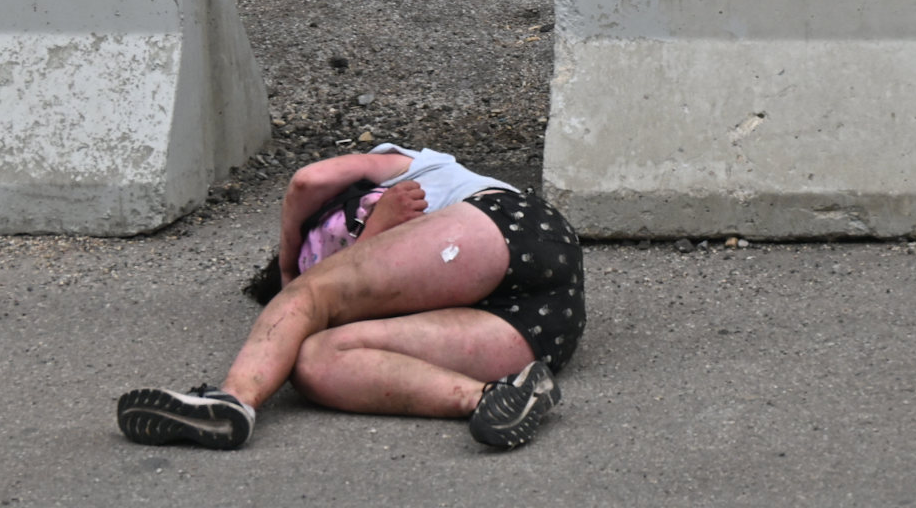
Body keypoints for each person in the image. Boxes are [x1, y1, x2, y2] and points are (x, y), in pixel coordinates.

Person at [116, 144, 583, 450]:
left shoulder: (414, 164)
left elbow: (308, 180)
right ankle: (496, 397)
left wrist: (290, 270)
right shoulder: (379, 245)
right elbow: (309, 187)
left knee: (314, 297)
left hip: (507, 230)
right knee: (315, 360)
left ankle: (233, 399)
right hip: (539, 328)